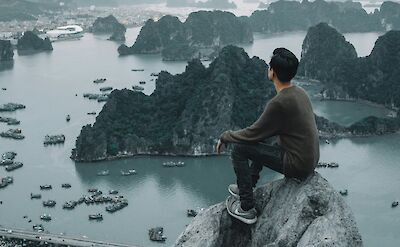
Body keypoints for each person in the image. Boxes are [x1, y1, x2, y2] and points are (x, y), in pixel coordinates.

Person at [215, 48, 320, 224]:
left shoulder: (278, 103)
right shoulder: (299, 92)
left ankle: (246, 207)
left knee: (239, 149)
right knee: (265, 138)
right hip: (308, 159)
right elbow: (261, 133)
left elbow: (252, 133)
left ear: (272, 71)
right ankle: (248, 184)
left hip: (297, 164)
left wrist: (226, 136)